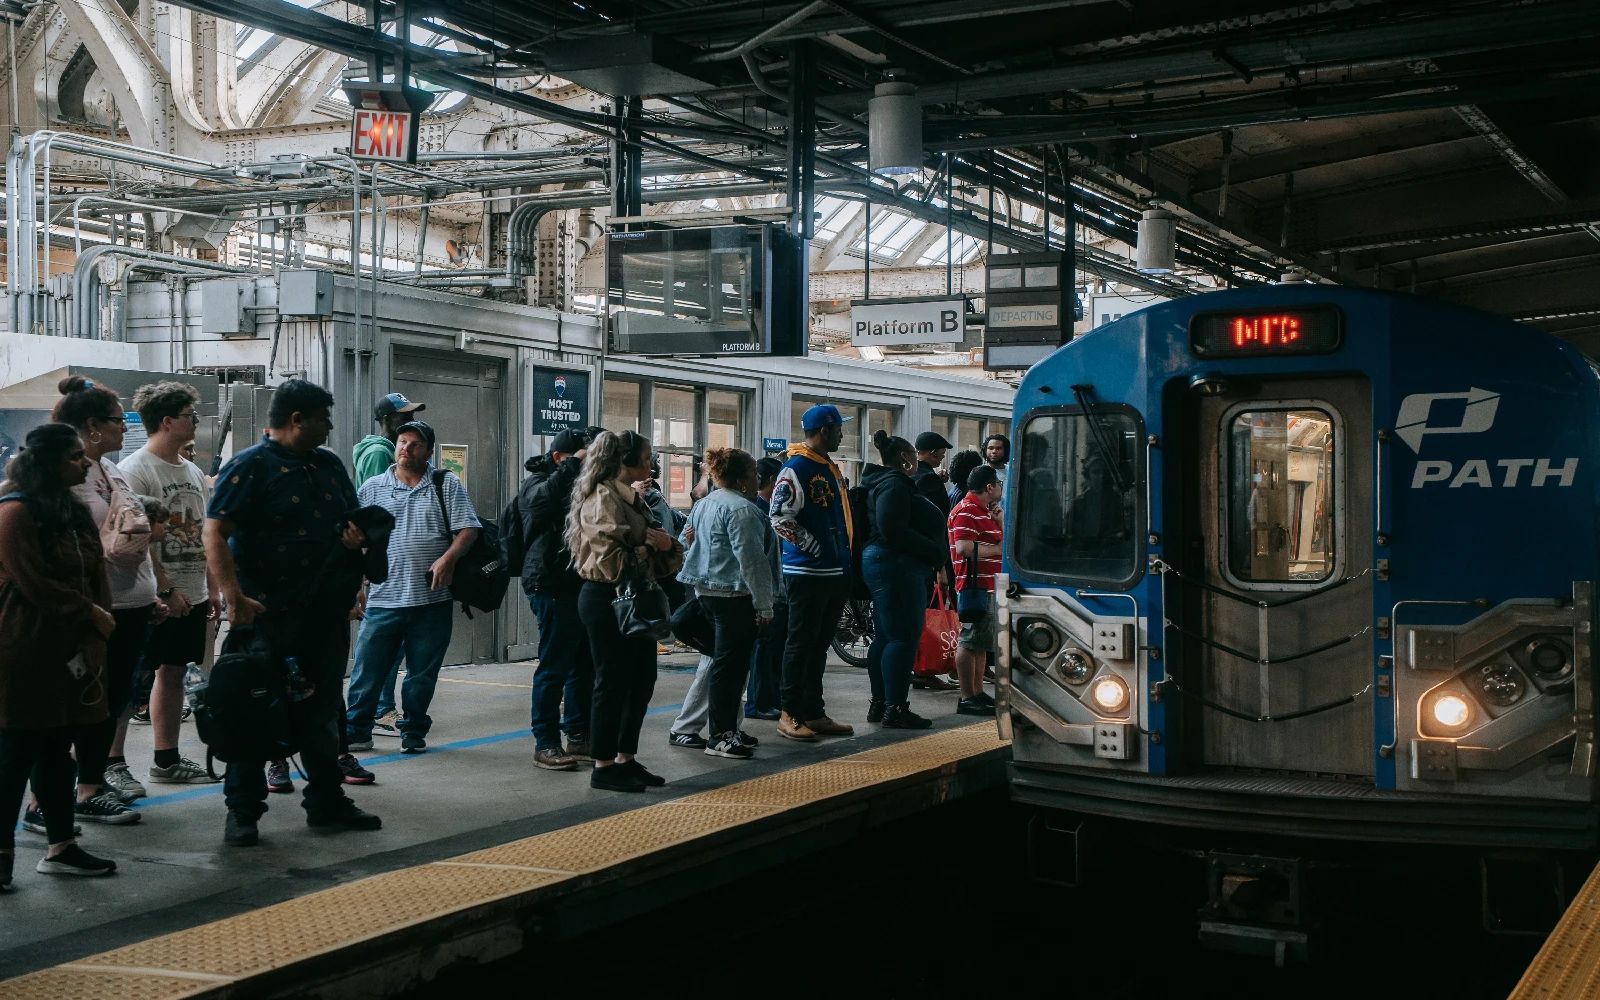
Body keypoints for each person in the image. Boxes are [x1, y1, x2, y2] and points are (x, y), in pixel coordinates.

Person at [204, 378, 381, 846]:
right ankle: (242, 811)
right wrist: (233, 598)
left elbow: (352, 521)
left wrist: (356, 553)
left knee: (322, 712)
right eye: (324, 417)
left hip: (323, 613)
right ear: (297, 419)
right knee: (254, 708)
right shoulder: (249, 467)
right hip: (265, 615)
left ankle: (326, 801)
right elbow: (214, 533)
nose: (329, 426)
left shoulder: (328, 465)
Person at [0, 423, 120, 884]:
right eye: (73, 456)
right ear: (48, 462)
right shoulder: (15, 511)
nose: (83, 462)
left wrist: (97, 628)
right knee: (13, 755)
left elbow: (96, 570)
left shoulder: (71, 510)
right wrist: (89, 613)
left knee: (55, 752)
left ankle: (62, 846)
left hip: (71, 644)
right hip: (25, 645)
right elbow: (32, 581)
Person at [43, 376, 157, 826]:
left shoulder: (110, 469)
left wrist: (157, 589)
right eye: (117, 420)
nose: (123, 427)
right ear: (91, 426)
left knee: (111, 701)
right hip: (91, 608)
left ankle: (91, 782)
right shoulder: (63, 475)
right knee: (79, 703)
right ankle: (57, 797)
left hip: (130, 603)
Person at [345, 421, 480, 755]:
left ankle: (413, 730)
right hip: (383, 599)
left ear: (429, 450)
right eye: (402, 442)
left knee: (421, 674)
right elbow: (354, 540)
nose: (406, 448)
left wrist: (448, 559)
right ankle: (358, 729)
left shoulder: (444, 484)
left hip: (431, 601)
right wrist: (355, 586)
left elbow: (468, 529)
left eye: (415, 444)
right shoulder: (373, 488)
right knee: (366, 670)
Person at [117, 381, 219, 790]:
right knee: (132, 681)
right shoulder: (135, 470)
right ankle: (111, 764)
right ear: (167, 420)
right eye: (189, 415)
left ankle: (166, 758)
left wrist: (211, 587)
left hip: (191, 591)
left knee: (173, 673)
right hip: (155, 596)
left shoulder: (192, 470)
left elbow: (203, 532)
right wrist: (164, 588)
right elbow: (137, 539)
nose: (195, 421)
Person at [568, 431, 683, 792]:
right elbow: (610, 561)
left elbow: (667, 550)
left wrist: (662, 545)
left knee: (641, 679)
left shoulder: (634, 499)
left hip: (633, 597)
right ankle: (603, 765)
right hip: (606, 600)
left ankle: (625, 757)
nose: (651, 465)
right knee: (612, 681)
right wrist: (650, 549)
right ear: (624, 461)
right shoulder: (602, 497)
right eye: (647, 458)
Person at [667, 448, 776, 758]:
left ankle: (725, 728)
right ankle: (721, 737)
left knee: (723, 666)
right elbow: (752, 561)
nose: (758, 480)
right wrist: (764, 605)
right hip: (735, 599)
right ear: (742, 480)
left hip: (707, 595)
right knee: (731, 670)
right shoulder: (744, 510)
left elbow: (692, 545)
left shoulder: (704, 504)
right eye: (754, 474)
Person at [769, 405, 856, 742]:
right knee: (800, 643)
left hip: (834, 572)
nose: (841, 435)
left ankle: (813, 711)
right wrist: (811, 545)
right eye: (838, 429)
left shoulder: (826, 466)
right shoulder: (796, 468)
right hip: (807, 573)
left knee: (819, 645)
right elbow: (779, 517)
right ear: (825, 430)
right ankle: (789, 712)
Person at [510, 428, 593, 771]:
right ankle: (545, 741)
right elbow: (541, 503)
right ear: (561, 458)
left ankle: (577, 734)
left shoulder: (579, 484)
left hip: (579, 582)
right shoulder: (538, 481)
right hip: (549, 582)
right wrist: (574, 466)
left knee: (583, 664)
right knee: (554, 664)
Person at [351, 391, 427, 739]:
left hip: (390, 565)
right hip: (386, 565)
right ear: (388, 420)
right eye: (403, 417)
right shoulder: (380, 453)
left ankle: (379, 708)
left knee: (387, 646)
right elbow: (377, 507)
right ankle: (381, 709)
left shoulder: (378, 447)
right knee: (383, 646)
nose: (408, 422)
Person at [861, 431, 946, 729]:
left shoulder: (880, 482)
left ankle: (882, 703)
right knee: (902, 637)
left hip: (885, 562)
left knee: (887, 636)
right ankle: (895, 708)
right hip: (896, 564)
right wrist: (932, 550)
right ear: (906, 459)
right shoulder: (894, 484)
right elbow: (891, 527)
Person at [950, 466, 1004, 716]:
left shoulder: (984, 512)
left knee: (981, 643)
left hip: (989, 585)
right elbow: (963, 548)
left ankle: (977, 692)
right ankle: (966, 696)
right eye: (998, 484)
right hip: (975, 586)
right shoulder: (967, 510)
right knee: (969, 640)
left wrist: (999, 521)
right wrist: (998, 550)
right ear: (990, 487)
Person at [744, 456, 786, 721]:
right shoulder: (758, 512)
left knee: (769, 648)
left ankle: (767, 700)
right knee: (763, 648)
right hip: (764, 592)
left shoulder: (763, 509)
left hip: (769, 589)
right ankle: (758, 703)